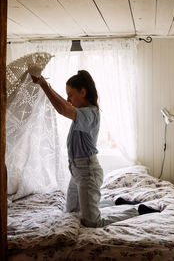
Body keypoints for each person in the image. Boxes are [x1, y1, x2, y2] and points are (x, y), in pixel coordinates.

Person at [31, 70, 160, 228]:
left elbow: (63, 109)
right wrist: (47, 85)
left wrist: (44, 85)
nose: (68, 99)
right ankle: (115, 202)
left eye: (71, 95)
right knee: (71, 211)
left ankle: (138, 210)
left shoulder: (89, 114)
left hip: (87, 172)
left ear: (83, 92)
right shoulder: (80, 113)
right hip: (76, 171)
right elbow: (65, 106)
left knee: (92, 222)